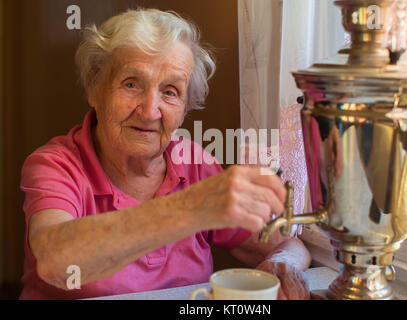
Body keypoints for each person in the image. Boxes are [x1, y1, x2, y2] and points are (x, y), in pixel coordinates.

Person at [19, 8, 311, 300]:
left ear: (185, 107)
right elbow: (55, 261)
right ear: (95, 89)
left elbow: (287, 246)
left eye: (170, 92)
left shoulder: (193, 165)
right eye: (131, 84)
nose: (149, 112)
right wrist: (191, 208)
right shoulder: (56, 165)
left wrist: (283, 265)